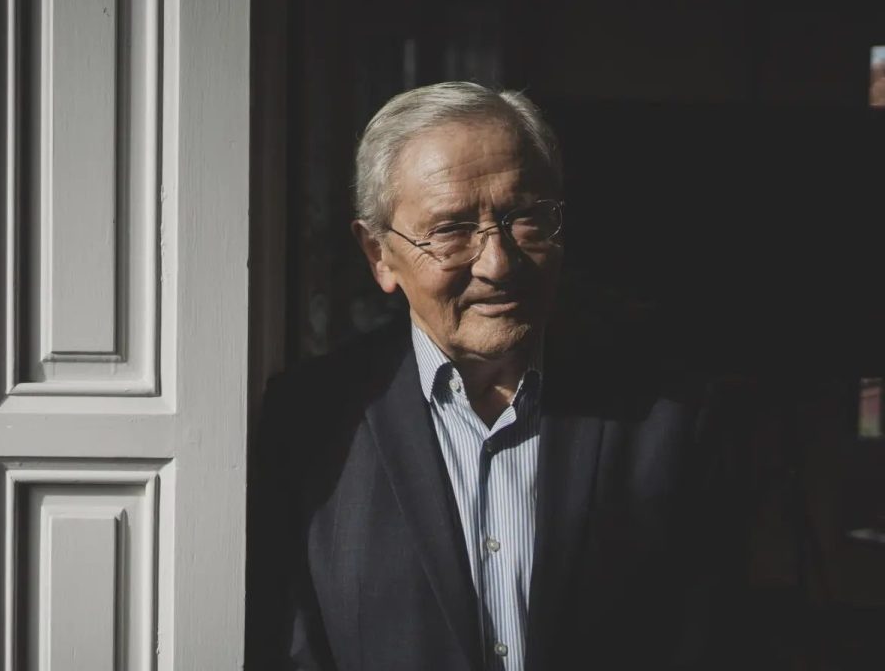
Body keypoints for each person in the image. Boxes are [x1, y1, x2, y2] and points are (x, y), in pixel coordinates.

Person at [246, 82, 746, 671]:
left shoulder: (667, 417)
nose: (498, 263)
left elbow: (708, 639)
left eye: (525, 219)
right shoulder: (311, 422)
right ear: (379, 254)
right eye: (451, 230)